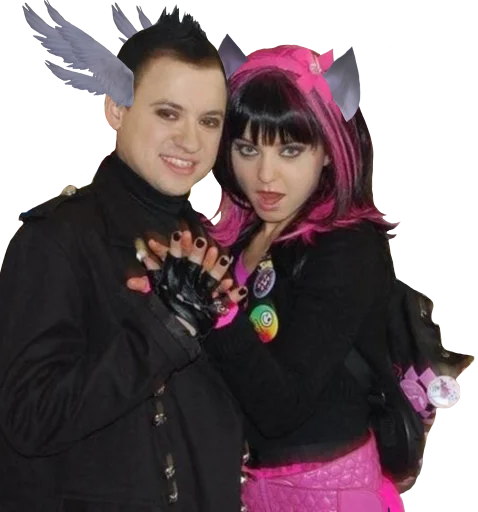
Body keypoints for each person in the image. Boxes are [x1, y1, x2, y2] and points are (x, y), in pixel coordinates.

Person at [131, 44, 409, 511]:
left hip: (328, 495)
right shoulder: (244, 238)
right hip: (250, 487)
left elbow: (282, 407)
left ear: (328, 151)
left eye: (290, 150)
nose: (265, 174)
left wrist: (217, 310)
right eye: (247, 148)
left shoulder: (347, 247)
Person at [0, 8, 246, 512]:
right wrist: (163, 330)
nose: (191, 141)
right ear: (116, 108)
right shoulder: (56, 241)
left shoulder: (203, 246)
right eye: (168, 113)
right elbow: (28, 419)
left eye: (209, 121)